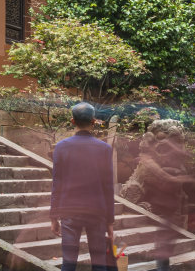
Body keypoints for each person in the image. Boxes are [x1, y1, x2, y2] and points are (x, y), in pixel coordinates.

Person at [49, 102, 113, 271]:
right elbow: (108, 186)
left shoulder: (61, 147)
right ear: (94, 121)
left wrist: (54, 216)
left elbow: (57, 183)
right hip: (97, 212)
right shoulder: (104, 149)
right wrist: (110, 221)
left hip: (69, 211)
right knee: (99, 262)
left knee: (69, 262)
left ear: (72, 121)